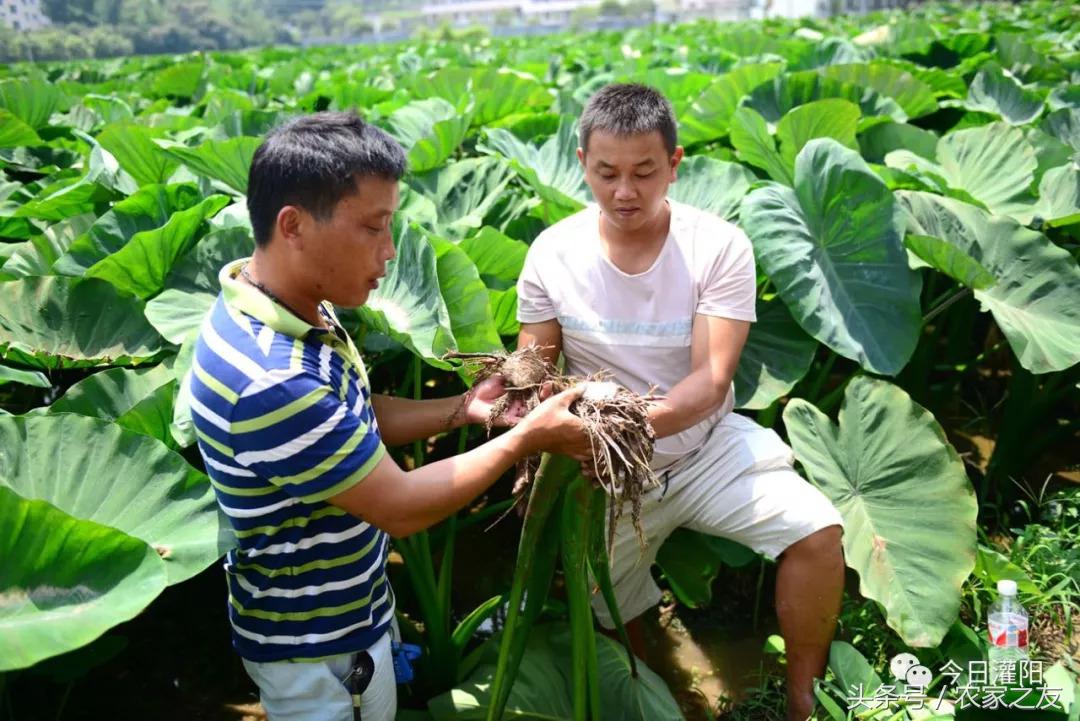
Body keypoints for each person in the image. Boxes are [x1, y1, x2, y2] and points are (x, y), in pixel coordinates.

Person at [187, 111, 590, 721]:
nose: (390, 251)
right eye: (372, 228)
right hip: (317, 651)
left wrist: (461, 409)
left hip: (348, 615)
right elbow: (399, 506)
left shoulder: (289, 307)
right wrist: (527, 437)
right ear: (292, 225)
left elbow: (350, 419)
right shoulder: (270, 378)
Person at [515, 83, 846, 721]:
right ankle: (660, 688)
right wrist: (523, 407)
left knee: (816, 532)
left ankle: (804, 697)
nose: (624, 191)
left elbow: (711, 382)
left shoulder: (718, 246)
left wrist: (623, 429)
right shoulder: (552, 253)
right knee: (605, 604)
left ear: (675, 162)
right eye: (606, 172)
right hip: (601, 472)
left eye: (644, 172)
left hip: (702, 449)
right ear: (581, 160)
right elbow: (534, 368)